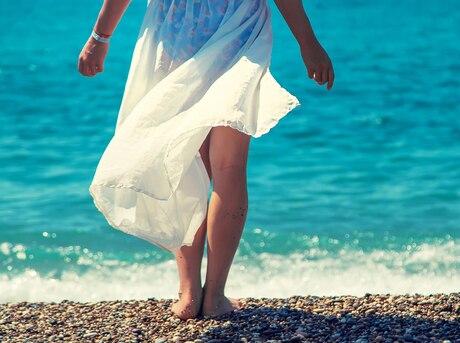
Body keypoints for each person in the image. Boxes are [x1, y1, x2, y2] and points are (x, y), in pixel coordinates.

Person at [77, 0, 334, 320]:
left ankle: (188, 293)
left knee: (185, 162)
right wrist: (308, 44)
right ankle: (214, 296)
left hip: (178, 29)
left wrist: (100, 37)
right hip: (239, 27)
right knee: (230, 166)